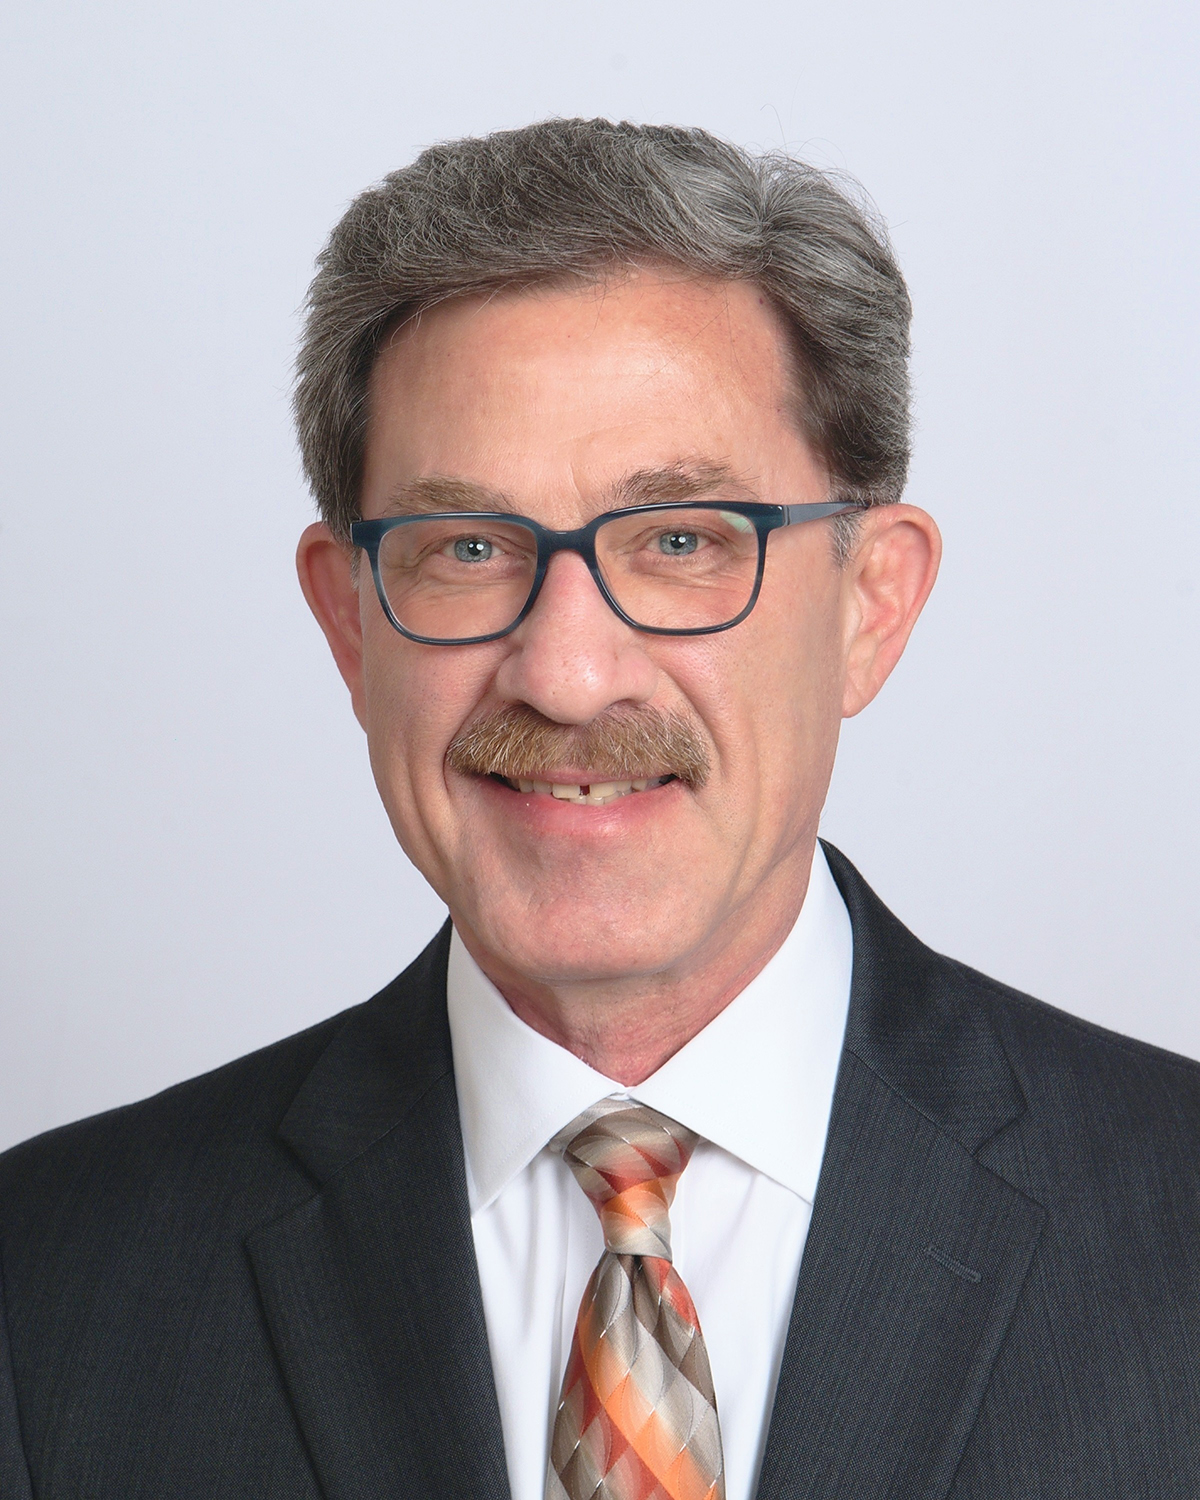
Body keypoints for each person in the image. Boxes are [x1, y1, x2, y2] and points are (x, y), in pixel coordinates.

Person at [1, 118, 1197, 1500]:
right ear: (349, 621)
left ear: (871, 606)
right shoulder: (50, 1288)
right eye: (466, 548)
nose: (568, 675)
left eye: (680, 541)